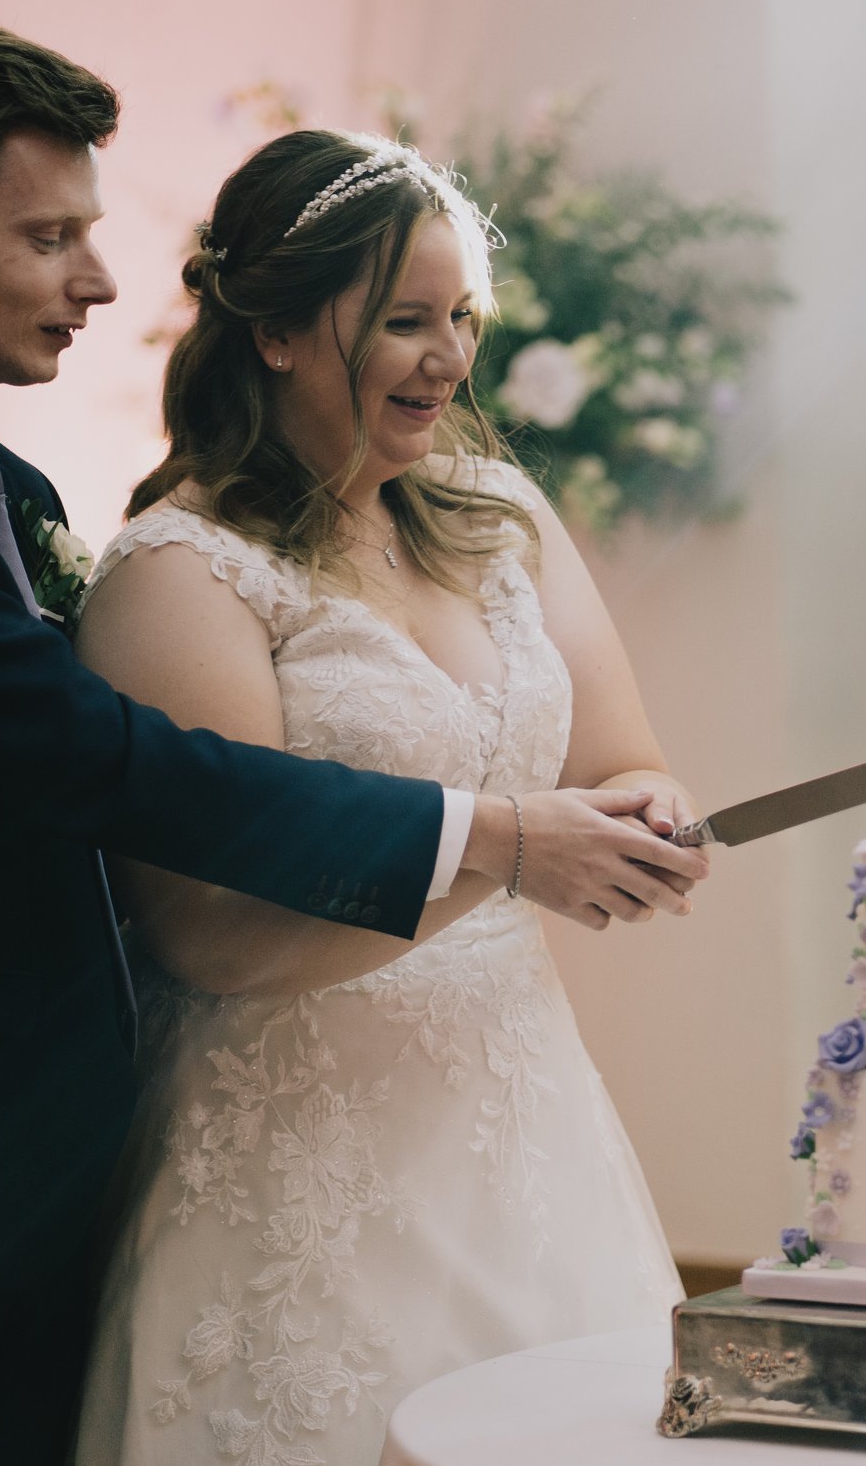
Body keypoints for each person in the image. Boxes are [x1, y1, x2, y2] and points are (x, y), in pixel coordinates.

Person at [0, 28, 704, 1466]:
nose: (99, 280)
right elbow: (110, 766)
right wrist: (493, 836)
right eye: (49, 237)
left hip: (24, 1165)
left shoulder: (1, 482)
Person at [70, 129, 696, 1465]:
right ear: (278, 332)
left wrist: (644, 821)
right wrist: (510, 858)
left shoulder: (500, 516)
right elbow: (209, 935)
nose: (450, 358)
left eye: (462, 317)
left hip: (529, 1141)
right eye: (406, 321)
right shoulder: (181, 573)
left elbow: (621, 759)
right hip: (297, 1178)